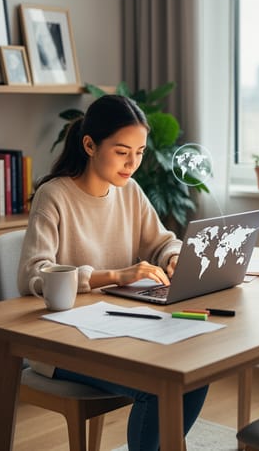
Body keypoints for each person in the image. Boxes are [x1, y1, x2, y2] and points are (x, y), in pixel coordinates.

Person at [18, 95, 208, 451]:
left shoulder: (129, 191)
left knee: (196, 373)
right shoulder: (53, 195)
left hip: (116, 328)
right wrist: (115, 276)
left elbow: (162, 241)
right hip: (63, 343)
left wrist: (173, 257)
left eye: (139, 152)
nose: (132, 163)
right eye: (122, 152)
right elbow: (33, 273)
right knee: (157, 388)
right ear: (90, 144)